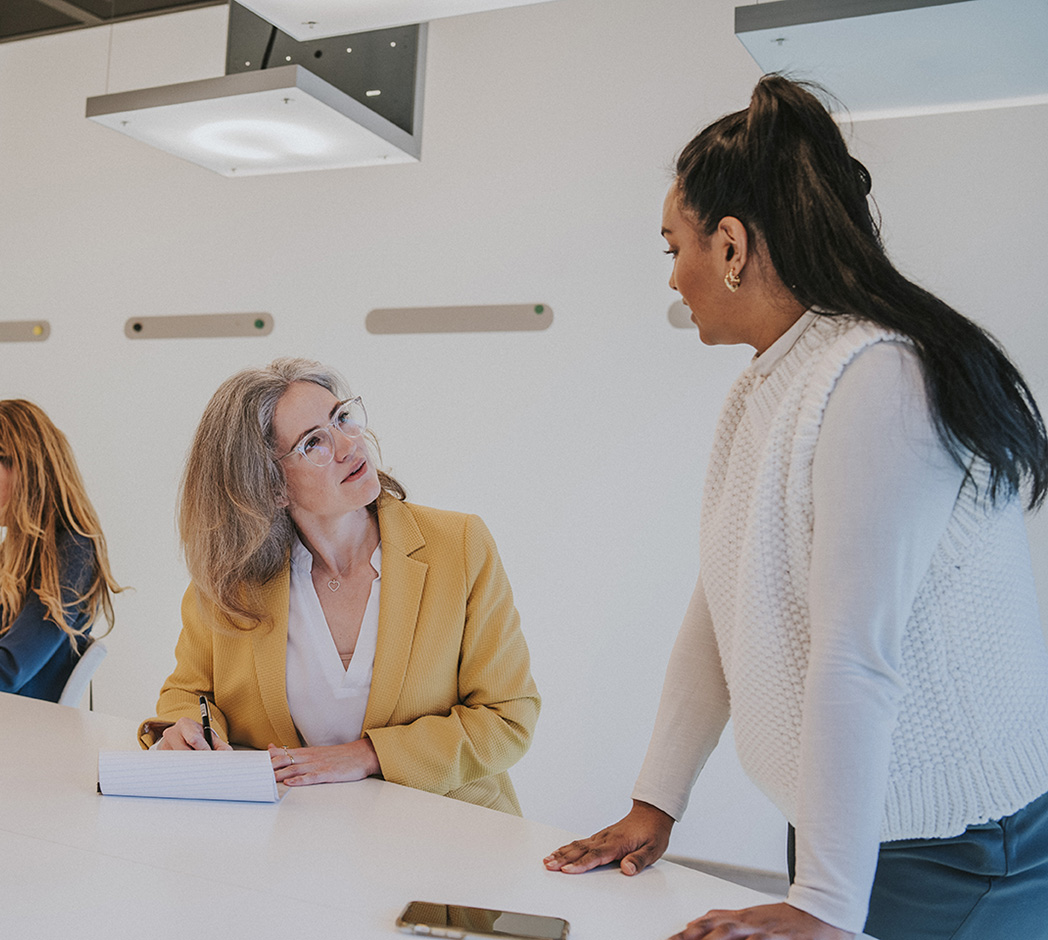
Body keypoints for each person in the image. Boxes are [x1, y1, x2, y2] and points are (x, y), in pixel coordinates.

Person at [544, 75, 1048, 940]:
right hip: (850, 833)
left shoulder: (878, 378)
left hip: (953, 850)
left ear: (732, 246)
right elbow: (722, 603)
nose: (674, 277)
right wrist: (655, 802)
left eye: (676, 247)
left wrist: (822, 900)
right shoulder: (771, 385)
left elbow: (857, 655)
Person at [139, 357, 540, 815]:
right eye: (314, 443)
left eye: (342, 418)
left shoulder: (459, 546)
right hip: (295, 837)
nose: (349, 444)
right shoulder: (233, 581)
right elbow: (188, 692)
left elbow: (508, 718)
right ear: (270, 487)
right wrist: (186, 727)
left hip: (446, 829)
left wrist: (368, 755)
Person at [0, 399, 122, 701]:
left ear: (23, 468)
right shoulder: (13, 553)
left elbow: (10, 670)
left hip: (24, 729)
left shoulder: (72, 550)